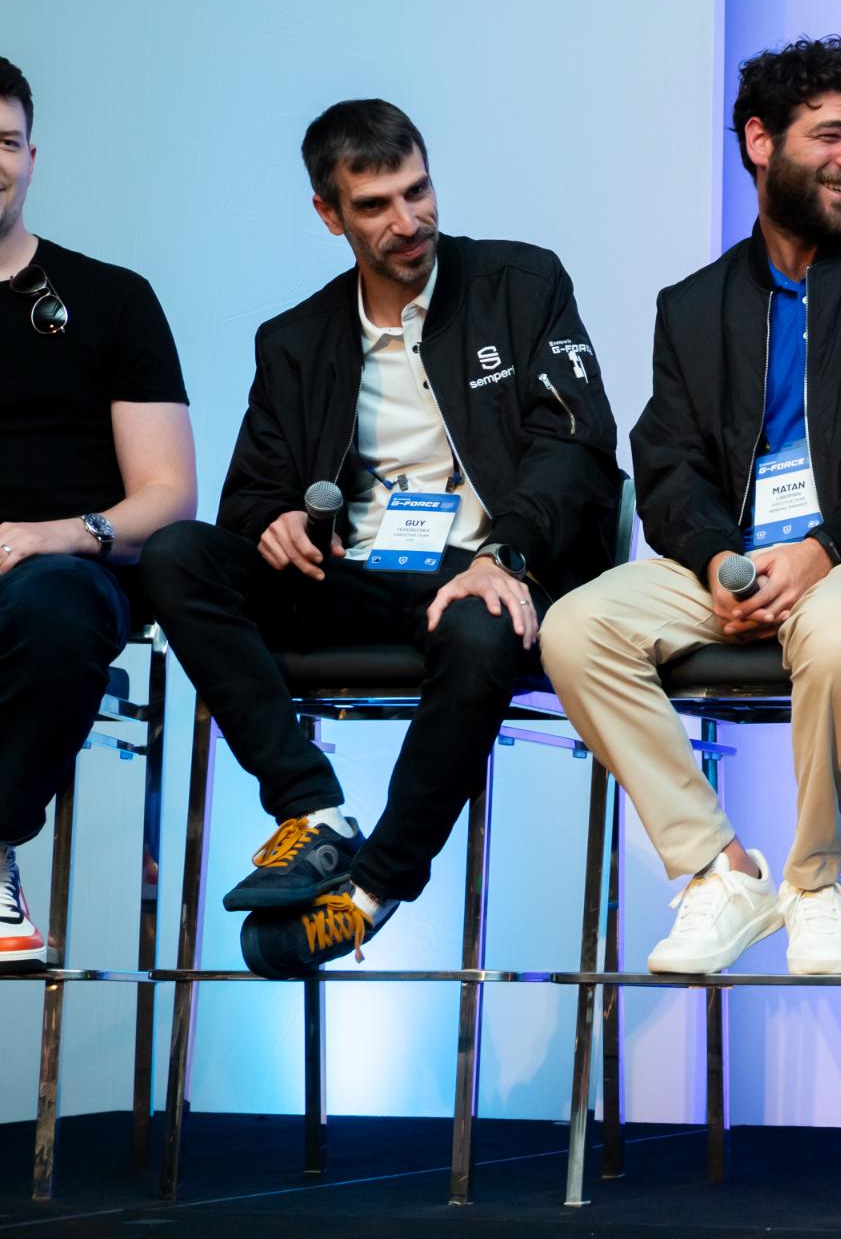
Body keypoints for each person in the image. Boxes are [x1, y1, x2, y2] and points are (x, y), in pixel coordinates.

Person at [542, 36, 841, 975]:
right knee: (576, 627)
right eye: (830, 135)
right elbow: (665, 463)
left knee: (835, 635)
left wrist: (825, 547)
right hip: (739, 566)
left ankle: (815, 882)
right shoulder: (694, 305)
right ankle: (719, 872)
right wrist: (716, 559)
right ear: (761, 142)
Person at [142, 99, 620, 977]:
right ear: (329, 215)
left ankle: (370, 893)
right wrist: (273, 522)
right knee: (176, 557)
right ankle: (313, 812)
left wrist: (500, 555)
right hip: (358, 574)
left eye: (418, 191)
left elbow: (579, 447)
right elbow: (251, 496)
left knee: (479, 630)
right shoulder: (294, 341)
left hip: (491, 570)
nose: (409, 222)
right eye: (375, 206)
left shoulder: (521, 284)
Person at [0, 56, 198, 970]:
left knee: (52, 608)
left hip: (60, 575)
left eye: (4, 142)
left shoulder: (112, 300)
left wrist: (48, 536)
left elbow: (168, 495)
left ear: (33, 157)